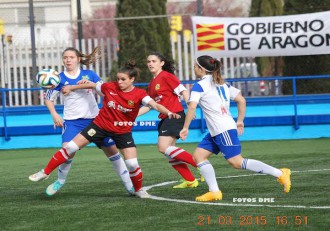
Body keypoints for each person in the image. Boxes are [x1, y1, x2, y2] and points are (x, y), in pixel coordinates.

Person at [29, 59, 180, 198]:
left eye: (123, 79)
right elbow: (92, 85)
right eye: (118, 78)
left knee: (132, 164)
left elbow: (154, 105)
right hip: (99, 126)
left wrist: (168, 112)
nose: (119, 82)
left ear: (132, 80)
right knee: (70, 147)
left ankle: (138, 189)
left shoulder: (140, 94)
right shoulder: (110, 86)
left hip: (122, 132)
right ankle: (45, 172)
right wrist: (73, 87)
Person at [180, 55, 291, 202]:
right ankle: (214, 192)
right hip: (217, 130)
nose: (193, 68)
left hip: (223, 130)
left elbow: (192, 106)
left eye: (195, 66)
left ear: (202, 69)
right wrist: (239, 121)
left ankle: (280, 173)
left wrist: (186, 127)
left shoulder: (199, 86)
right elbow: (241, 100)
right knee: (199, 156)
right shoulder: (223, 84)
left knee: (236, 162)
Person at [43, 47, 133, 197]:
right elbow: (48, 99)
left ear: (78, 59)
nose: (68, 60)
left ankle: (129, 185)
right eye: (65, 57)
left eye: (71, 57)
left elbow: (104, 91)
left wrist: (90, 83)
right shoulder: (57, 78)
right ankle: (60, 181)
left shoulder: (89, 74)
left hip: (96, 120)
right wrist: (54, 115)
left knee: (112, 151)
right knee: (67, 150)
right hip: (72, 122)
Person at [138, 52, 201, 189]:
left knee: (163, 147)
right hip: (165, 118)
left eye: (154, 61)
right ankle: (190, 180)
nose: (150, 64)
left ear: (162, 63)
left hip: (175, 116)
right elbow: (150, 106)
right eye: (148, 61)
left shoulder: (166, 76)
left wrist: (191, 107)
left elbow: (184, 91)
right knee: (169, 152)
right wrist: (132, 115)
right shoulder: (152, 84)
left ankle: (200, 165)